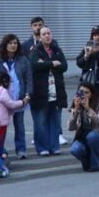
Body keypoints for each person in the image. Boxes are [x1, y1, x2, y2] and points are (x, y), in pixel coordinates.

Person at [28, 24, 71, 157]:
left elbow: (64, 66)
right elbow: (35, 65)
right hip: (41, 92)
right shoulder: (35, 51)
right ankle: (42, 147)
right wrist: (52, 64)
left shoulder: (57, 50)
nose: (47, 36)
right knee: (40, 122)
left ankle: (54, 146)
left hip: (56, 91)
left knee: (55, 121)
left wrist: (45, 64)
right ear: (39, 37)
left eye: (49, 33)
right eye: (44, 34)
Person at [69, 86, 99, 172]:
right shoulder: (77, 105)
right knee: (74, 149)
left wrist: (88, 109)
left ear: (92, 94)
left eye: (87, 92)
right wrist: (76, 110)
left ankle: (96, 164)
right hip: (83, 140)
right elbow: (70, 127)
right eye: (81, 92)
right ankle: (87, 162)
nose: (84, 95)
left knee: (92, 136)